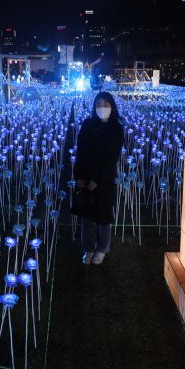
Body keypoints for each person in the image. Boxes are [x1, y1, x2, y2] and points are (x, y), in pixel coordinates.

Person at [73, 91, 124, 265]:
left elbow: (112, 159)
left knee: (103, 216)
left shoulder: (116, 129)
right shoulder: (88, 125)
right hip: (85, 176)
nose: (102, 108)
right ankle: (87, 248)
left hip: (104, 179)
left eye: (106, 104)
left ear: (112, 106)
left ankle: (102, 248)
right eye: (98, 105)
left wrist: (97, 180)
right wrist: (80, 176)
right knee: (86, 215)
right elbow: (80, 151)